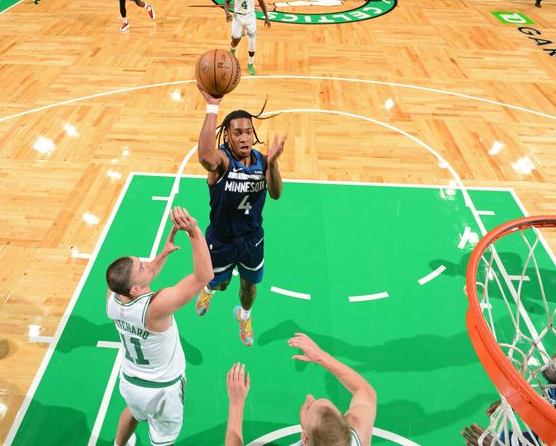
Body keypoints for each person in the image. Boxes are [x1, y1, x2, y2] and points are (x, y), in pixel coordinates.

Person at [105, 206, 213, 446]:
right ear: (134, 289)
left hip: (130, 382)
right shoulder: (155, 308)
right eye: (141, 266)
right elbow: (203, 276)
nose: (146, 263)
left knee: (133, 412)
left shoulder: (112, 300)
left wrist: (162, 255)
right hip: (163, 391)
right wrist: (194, 231)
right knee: (162, 440)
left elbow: (133, 280)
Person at [194, 91, 287, 347]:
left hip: (251, 240)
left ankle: (244, 316)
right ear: (227, 136)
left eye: (248, 132)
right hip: (221, 240)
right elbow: (204, 157)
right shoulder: (222, 160)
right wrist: (212, 106)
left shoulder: (262, 161)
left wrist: (275, 163)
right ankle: (208, 291)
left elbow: (276, 194)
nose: (244, 137)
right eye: (238, 133)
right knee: (219, 282)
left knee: (249, 287)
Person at [224, 333, 377, 446]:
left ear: (304, 438)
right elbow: (365, 391)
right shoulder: (359, 437)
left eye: (310, 407)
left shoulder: (357, 434)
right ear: (347, 430)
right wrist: (321, 356)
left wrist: (236, 403)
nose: (310, 397)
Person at [223, 0, 271, 75]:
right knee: (235, 40)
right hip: (238, 17)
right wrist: (227, 13)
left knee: (252, 43)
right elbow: (226, 2)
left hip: (250, 17)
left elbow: (261, 1)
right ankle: (232, 50)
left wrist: (266, 17)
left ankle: (250, 64)